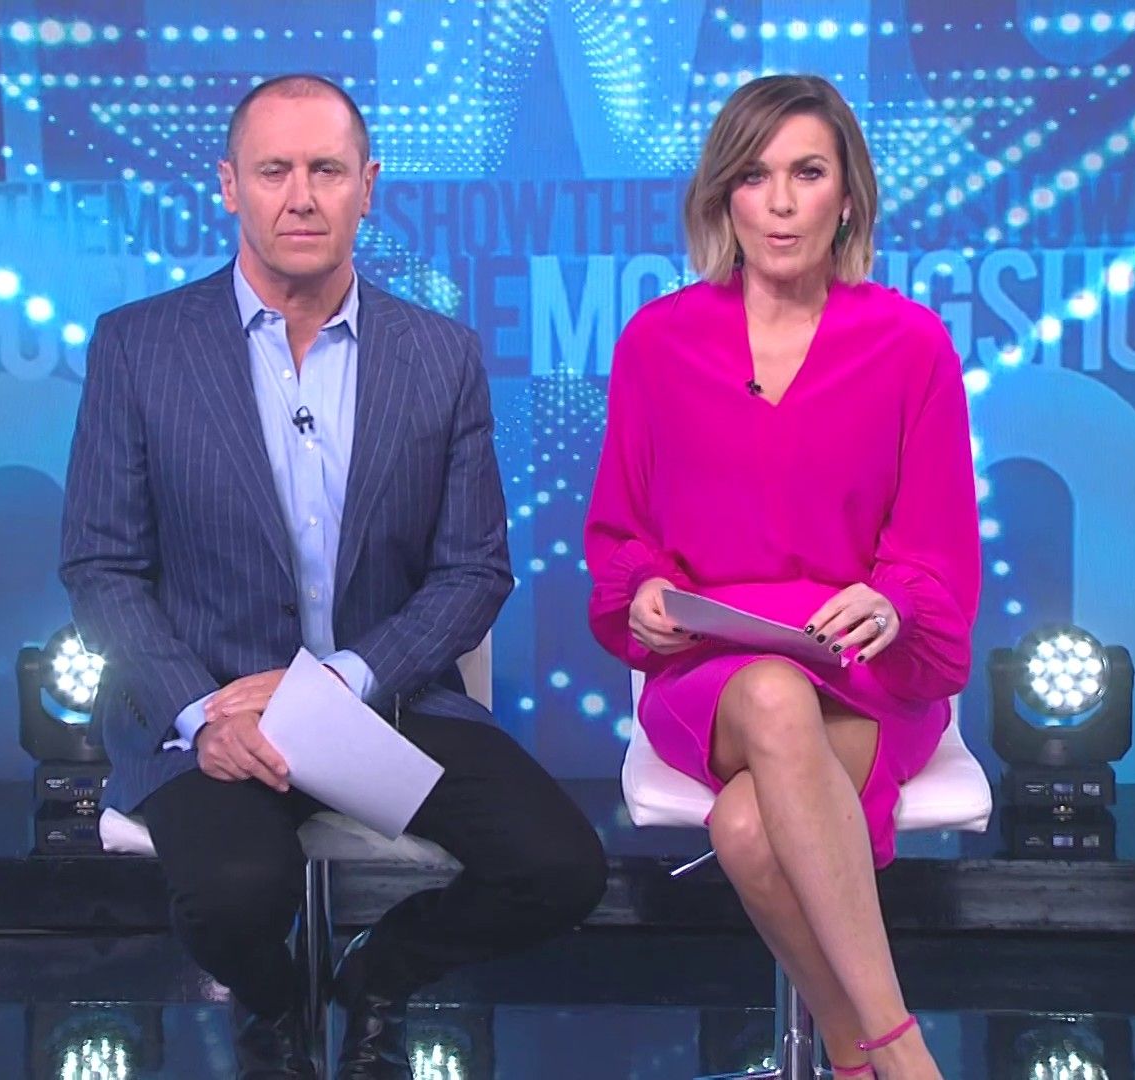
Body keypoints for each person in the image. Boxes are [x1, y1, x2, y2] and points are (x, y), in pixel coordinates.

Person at [61, 74, 607, 1080]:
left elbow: (473, 571)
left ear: (368, 186)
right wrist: (200, 711)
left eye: (326, 170)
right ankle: (276, 1007)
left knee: (561, 868)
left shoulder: (438, 355)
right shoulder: (140, 346)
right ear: (230, 185)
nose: (301, 196)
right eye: (274, 170)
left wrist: (341, 682)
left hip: (382, 698)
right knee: (235, 895)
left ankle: (379, 975)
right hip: (209, 706)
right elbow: (102, 564)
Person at [583, 74, 980, 1080]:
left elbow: (936, 550)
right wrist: (643, 596)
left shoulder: (910, 344)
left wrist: (893, 598)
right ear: (726, 197)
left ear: (847, 196)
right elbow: (622, 535)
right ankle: (904, 1050)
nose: (782, 203)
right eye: (755, 177)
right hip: (711, 677)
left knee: (747, 825)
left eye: (807, 174)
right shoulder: (658, 343)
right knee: (766, 693)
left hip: (860, 677)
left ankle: (851, 1051)